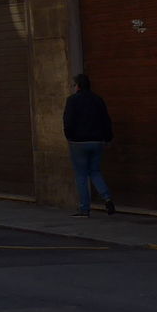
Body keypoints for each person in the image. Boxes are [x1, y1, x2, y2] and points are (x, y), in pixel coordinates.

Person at [63, 73, 114, 217]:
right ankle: (107, 198)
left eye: (74, 85)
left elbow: (68, 121)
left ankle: (84, 209)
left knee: (81, 175)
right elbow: (106, 120)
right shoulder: (98, 99)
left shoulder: (72, 100)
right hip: (97, 141)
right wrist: (108, 138)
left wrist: (69, 137)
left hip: (78, 143)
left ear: (78, 86)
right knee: (95, 171)